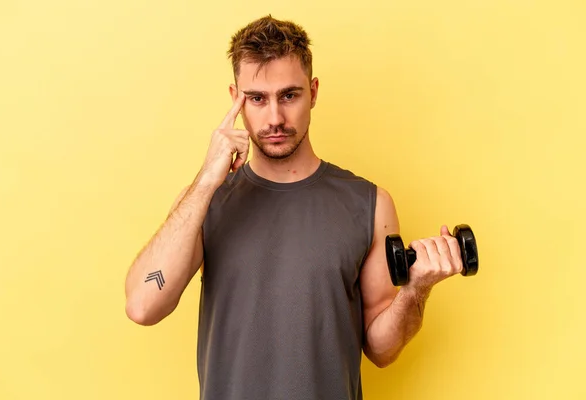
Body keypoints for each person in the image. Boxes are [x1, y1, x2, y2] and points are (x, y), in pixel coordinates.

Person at [124, 14, 465, 400]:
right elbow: (142, 306)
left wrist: (416, 290)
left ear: (314, 91)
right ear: (235, 98)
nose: (274, 118)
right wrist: (206, 181)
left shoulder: (369, 204)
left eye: (289, 95)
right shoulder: (205, 202)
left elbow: (382, 350)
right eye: (257, 99)